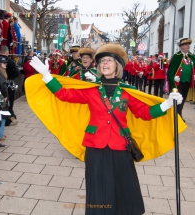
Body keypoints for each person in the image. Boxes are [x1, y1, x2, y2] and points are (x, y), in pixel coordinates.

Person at [28, 44, 183, 215]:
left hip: (121, 145)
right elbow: (65, 94)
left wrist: (167, 104)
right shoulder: (92, 90)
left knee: (122, 185)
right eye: (102, 61)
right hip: (95, 146)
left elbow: (145, 113)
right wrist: (46, 75)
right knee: (97, 187)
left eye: (109, 60)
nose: (105, 63)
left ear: (117, 65)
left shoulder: (127, 91)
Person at [167, 38, 195, 121]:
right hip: (178, 83)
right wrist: (173, 77)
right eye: (186, 45)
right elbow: (170, 71)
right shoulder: (177, 56)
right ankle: (176, 116)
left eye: (188, 45)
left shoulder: (191, 56)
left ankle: (179, 114)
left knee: (183, 99)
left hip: (187, 81)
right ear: (181, 46)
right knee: (178, 99)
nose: (188, 46)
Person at [0, 45, 19, 126]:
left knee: (1, 102)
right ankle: (8, 118)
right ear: (7, 52)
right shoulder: (10, 61)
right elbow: (17, 72)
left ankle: (8, 117)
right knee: (9, 102)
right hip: (9, 84)